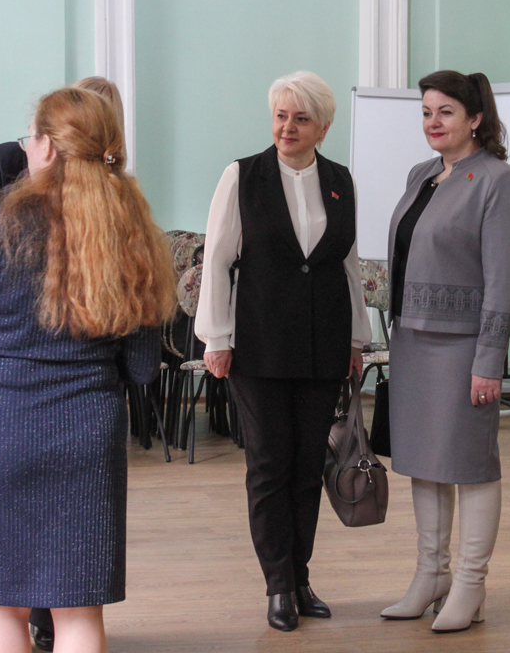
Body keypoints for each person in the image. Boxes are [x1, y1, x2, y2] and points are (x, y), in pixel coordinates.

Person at [0, 86, 174, 653]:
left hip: (1, 429)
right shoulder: (134, 229)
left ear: (45, 146)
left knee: (0, 611)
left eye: (31, 136)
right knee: (77, 613)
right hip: (87, 438)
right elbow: (144, 367)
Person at [195, 71, 370, 632]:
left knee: (308, 467)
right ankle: (277, 585)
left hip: (324, 345)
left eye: (300, 118)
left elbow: (348, 265)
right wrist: (216, 338)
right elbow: (217, 260)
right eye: (280, 116)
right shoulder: (242, 176)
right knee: (269, 465)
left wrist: (357, 339)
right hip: (260, 347)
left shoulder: (340, 180)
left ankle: (300, 576)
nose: (287, 127)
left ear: (323, 126)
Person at [381, 70, 510, 634]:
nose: (433, 122)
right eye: (426, 112)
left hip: (463, 346)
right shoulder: (422, 175)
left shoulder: (498, 182)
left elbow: (503, 281)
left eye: (445, 111)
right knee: (424, 461)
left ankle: (470, 583)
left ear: (476, 118)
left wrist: (489, 361)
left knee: (470, 464)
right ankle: (431, 575)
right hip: (412, 340)